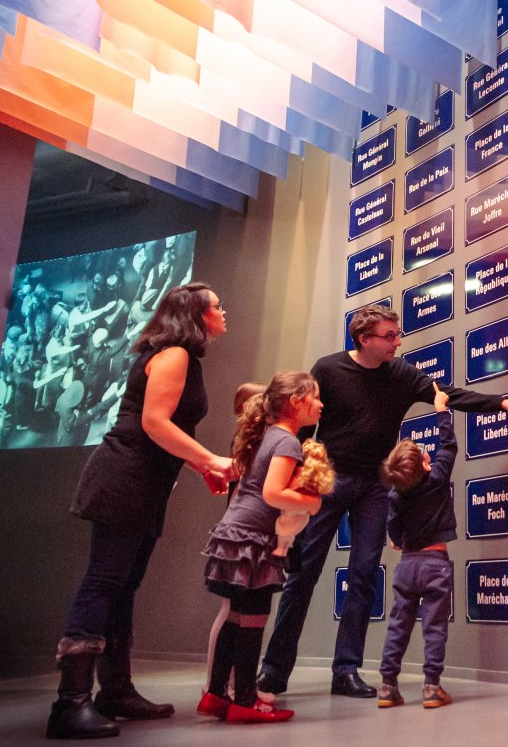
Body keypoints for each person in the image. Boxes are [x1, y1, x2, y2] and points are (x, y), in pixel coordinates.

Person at [257, 304, 508, 700]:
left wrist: (502, 404)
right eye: (389, 336)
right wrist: (295, 475)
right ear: (364, 339)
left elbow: (447, 394)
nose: (397, 342)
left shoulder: (402, 374)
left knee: (362, 578)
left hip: (375, 487)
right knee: (304, 573)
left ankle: (346, 671)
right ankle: (274, 671)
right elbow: (305, 423)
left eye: (397, 335)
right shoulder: (328, 369)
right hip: (329, 480)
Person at [46, 282, 234, 740]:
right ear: (196, 315)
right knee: (104, 581)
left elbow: (166, 427)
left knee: (123, 584)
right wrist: (210, 460)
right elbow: (153, 422)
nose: (223, 311)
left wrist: (199, 467)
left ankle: (115, 691)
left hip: (143, 482)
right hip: (124, 477)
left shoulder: (183, 357)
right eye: (217, 306)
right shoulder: (175, 354)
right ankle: (70, 704)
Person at [197, 372, 325, 724]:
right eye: (315, 397)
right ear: (296, 403)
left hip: (234, 534)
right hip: (254, 539)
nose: (320, 404)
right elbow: (272, 493)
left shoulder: (264, 436)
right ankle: (245, 700)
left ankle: (216, 694)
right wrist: (312, 503)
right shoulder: (287, 442)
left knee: (236, 615)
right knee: (254, 619)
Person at [376, 383, 457, 709]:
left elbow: (393, 528)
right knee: (434, 628)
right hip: (436, 564)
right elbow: (448, 446)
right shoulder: (437, 480)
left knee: (398, 626)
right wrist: (441, 410)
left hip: (407, 566)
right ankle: (431, 688)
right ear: (425, 465)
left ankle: (387, 687)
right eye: (425, 455)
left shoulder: (396, 495)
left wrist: (399, 542)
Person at [202, 382, 267, 700]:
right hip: (240, 539)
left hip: (240, 538)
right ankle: (218, 686)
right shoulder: (247, 443)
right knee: (231, 611)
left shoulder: (252, 443)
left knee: (235, 612)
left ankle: (225, 686)